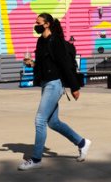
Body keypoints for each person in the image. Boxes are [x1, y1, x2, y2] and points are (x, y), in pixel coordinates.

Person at [18, 13, 91, 171]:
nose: (35, 24)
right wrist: (32, 64)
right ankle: (82, 143)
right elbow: (45, 64)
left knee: (39, 120)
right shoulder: (40, 41)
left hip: (54, 84)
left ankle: (36, 159)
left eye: (38, 22)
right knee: (53, 122)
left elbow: (65, 65)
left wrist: (74, 87)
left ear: (47, 24)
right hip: (46, 84)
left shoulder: (56, 41)